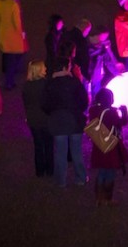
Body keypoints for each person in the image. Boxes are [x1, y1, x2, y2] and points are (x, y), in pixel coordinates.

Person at [42, 56, 89, 187]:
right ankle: (81, 178)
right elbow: (84, 101)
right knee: (76, 151)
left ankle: (61, 181)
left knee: (60, 152)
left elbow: (44, 104)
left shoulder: (50, 84)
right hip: (75, 120)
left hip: (58, 121)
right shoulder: (75, 82)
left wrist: (53, 113)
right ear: (65, 67)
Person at [88, 88, 128, 206]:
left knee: (101, 171)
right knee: (110, 171)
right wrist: (124, 111)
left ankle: (98, 198)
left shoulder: (93, 110)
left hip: (99, 143)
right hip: (111, 144)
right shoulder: (111, 112)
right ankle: (107, 198)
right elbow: (122, 122)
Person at [0, 0, 27, 90]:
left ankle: (8, 80)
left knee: (8, 58)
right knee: (16, 57)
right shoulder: (14, 5)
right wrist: (21, 33)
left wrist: (2, 27)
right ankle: (9, 81)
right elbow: (17, 23)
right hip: (14, 37)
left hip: (3, 34)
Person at [22, 60, 53, 177]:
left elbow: (26, 102)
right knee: (49, 145)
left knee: (38, 146)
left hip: (33, 119)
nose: (46, 68)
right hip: (46, 119)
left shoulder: (27, 86)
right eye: (44, 67)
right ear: (40, 70)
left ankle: (39, 170)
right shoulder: (46, 84)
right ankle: (50, 170)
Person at [87, 25, 123, 100]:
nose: (104, 39)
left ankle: (96, 108)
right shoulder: (89, 47)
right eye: (104, 37)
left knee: (96, 94)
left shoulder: (102, 48)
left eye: (106, 37)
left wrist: (116, 72)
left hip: (96, 75)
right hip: (88, 74)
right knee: (87, 94)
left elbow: (108, 61)